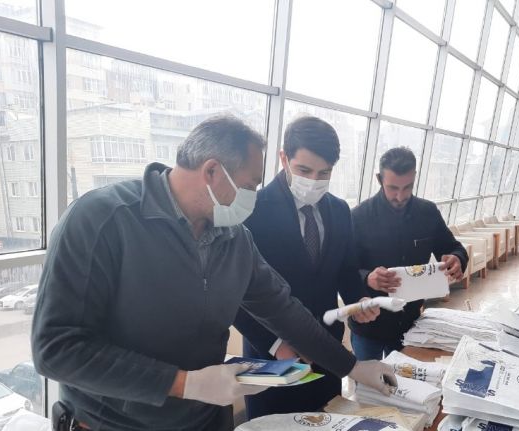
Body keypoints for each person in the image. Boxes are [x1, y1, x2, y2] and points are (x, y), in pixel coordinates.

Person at [31, 115, 396, 431]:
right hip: (114, 422)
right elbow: (55, 349)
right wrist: (183, 383)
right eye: (249, 186)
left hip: (204, 418)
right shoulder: (102, 220)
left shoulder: (233, 238)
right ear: (211, 172)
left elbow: (284, 310)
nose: (252, 196)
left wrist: (352, 367)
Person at [233, 116, 378, 419]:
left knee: (328, 418)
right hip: (273, 355)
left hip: (327, 350)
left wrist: (359, 300)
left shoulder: (339, 210)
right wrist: (276, 344)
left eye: (324, 173)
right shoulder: (252, 210)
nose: (313, 180)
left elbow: (346, 270)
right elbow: (235, 295)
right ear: (283, 158)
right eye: (304, 170)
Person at [349, 147, 468, 360]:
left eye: (407, 187)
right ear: (379, 179)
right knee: (368, 381)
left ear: (414, 177)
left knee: (406, 379)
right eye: (393, 188)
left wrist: (457, 258)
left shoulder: (427, 212)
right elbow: (344, 268)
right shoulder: (358, 217)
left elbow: (453, 247)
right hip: (368, 325)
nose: (400, 196)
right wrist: (367, 278)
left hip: (411, 324)